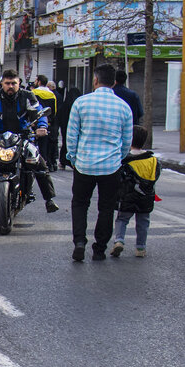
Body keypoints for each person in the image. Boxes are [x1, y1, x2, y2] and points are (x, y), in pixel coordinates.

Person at [65, 63, 134, 261]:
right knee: (106, 207)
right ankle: (100, 248)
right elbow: (126, 141)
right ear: (114, 82)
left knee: (79, 204)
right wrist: (118, 158)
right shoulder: (123, 107)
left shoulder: (81, 103)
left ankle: (79, 241)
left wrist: (74, 158)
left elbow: (72, 135)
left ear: (95, 80)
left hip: (84, 164)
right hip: (111, 167)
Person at [0, 69, 59, 212]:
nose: (11, 86)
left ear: (19, 83)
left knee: (39, 163)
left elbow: (39, 112)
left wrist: (42, 126)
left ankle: (49, 199)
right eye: (7, 83)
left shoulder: (28, 96)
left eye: (14, 83)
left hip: (22, 137)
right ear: (2, 84)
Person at [111, 125, 161, 258]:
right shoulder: (153, 160)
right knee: (143, 222)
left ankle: (119, 240)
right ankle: (140, 247)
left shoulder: (125, 160)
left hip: (128, 196)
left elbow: (120, 178)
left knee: (122, 219)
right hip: (146, 196)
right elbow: (156, 175)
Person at [31, 75, 57, 170]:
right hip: (48, 122)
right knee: (48, 144)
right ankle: (46, 163)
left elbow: (31, 108)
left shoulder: (33, 93)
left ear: (39, 82)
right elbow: (54, 111)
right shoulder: (52, 94)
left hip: (35, 123)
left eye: (36, 80)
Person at [56, 85, 79, 169]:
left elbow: (60, 116)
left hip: (65, 127)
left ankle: (63, 161)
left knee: (65, 143)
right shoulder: (77, 105)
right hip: (75, 128)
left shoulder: (65, 105)